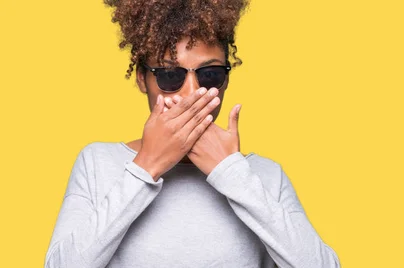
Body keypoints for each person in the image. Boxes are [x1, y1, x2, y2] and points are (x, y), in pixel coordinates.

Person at [44, 0, 341, 267]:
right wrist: (146, 166)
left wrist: (232, 174)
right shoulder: (98, 164)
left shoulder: (264, 176)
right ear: (142, 80)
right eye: (170, 75)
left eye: (209, 75)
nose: (191, 93)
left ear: (225, 81)